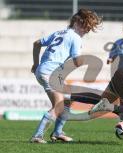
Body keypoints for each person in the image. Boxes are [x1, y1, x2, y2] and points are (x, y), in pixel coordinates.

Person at [30, 9, 102, 143]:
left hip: (43, 71)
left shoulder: (59, 32)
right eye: (86, 27)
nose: (87, 31)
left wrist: (35, 64)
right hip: (51, 73)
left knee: (67, 102)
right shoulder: (75, 38)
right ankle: (37, 136)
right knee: (59, 106)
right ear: (77, 22)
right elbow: (77, 61)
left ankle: (57, 132)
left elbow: (36, 44)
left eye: (89, 28)